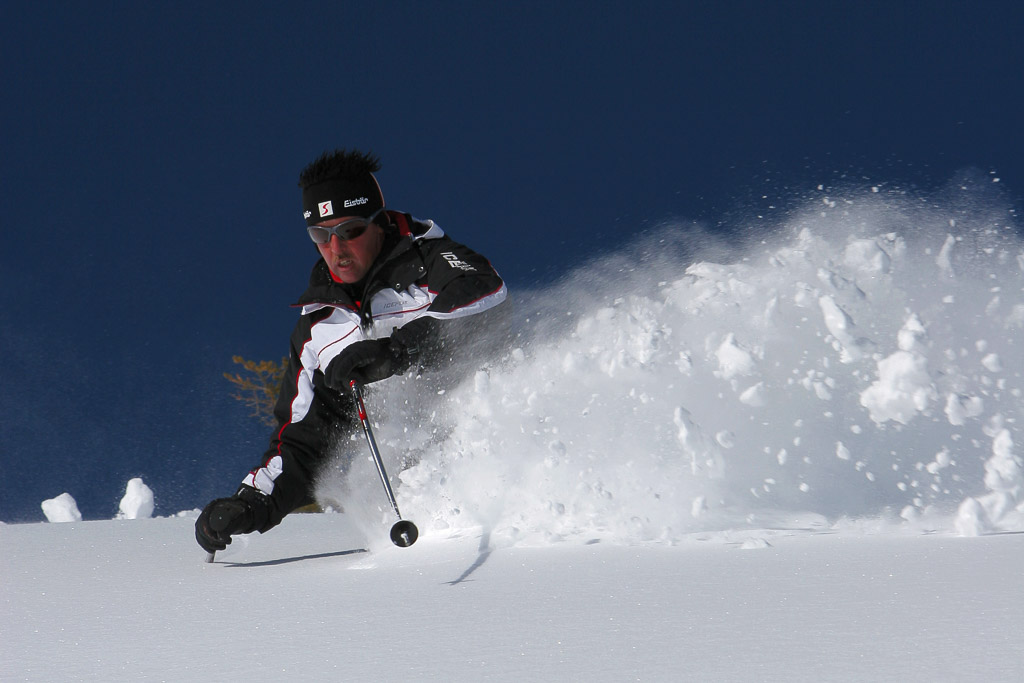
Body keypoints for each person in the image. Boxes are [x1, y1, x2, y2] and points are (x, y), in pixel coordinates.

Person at [195, 149, 506, 553]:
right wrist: (249, 504)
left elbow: (488, 302)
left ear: (379, 222)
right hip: (426, 514)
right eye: (320, 236)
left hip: (502, 468)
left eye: (351, 230)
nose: (336, 248)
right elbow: (303, 443)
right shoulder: (317, 330)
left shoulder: (433, 262)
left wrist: (396, 351)